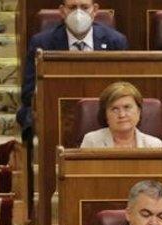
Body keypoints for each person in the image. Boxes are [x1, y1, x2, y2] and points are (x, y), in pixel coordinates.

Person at [19, 0, 128, 134]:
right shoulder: (42, 43)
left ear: (94, 10)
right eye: (72, 8)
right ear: (62, 11)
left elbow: (124, 88)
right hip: (57, 109)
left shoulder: (115, 41)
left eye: (84, 7)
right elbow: (28, 92)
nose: (78, 13)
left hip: (103, 107)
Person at [80, 82, 162, 148]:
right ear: (105, 115)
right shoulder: (92, 142)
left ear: (138, 111)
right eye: (115, 109)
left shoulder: (154, 145)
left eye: (127, 107)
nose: (122, 115)